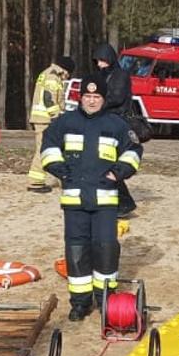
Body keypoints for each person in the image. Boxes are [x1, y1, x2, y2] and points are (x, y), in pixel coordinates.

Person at [40, 76, 142, 320]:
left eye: (97, 97)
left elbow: (134, 150)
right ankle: (80, 303)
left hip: (105, 201)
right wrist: (61, 170)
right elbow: (48, 146)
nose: (92, 100)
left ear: (104, 99)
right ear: (80, 97)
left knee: (106, 248)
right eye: (88, 96)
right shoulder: (65, 122)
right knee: (77, 252)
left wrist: (117, 172)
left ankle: (106, 297)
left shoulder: (116, 124)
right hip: (74, 201)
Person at [90, 44, 140, 214]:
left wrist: (97, 103)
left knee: (108, 163)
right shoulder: (101, 76)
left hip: (117, 124)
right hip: (103, 122)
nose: (99, 64)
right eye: (97, 61)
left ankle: (124, 203)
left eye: (102, 61)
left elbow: (116, 97)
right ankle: (121, 202)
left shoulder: (120, 75)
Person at [26, 55, 74, 193]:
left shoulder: (48, 73)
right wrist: (57, 117)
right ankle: (35, 182)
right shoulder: (53, 76)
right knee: (43, 149)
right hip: (45, 120)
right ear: (65, 71)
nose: (67, 79)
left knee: (58, 148)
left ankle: (63, 177)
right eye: (68, 76)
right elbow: (49, 99)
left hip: (44, 119)